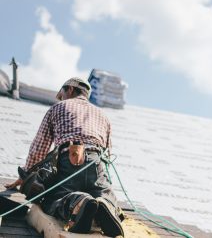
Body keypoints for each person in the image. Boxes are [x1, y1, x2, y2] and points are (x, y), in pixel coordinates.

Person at [5, 77, 124, 237]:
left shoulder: (59, 107)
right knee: (102, 193)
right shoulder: (102, 115)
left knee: (56, 197)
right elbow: (108, 153)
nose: (60, 98)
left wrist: (26, 175)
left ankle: (79, 203)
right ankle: (106, 205)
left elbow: (39, 147)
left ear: (70, 89)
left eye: (61, 94)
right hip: (97, 162)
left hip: (69, 159)